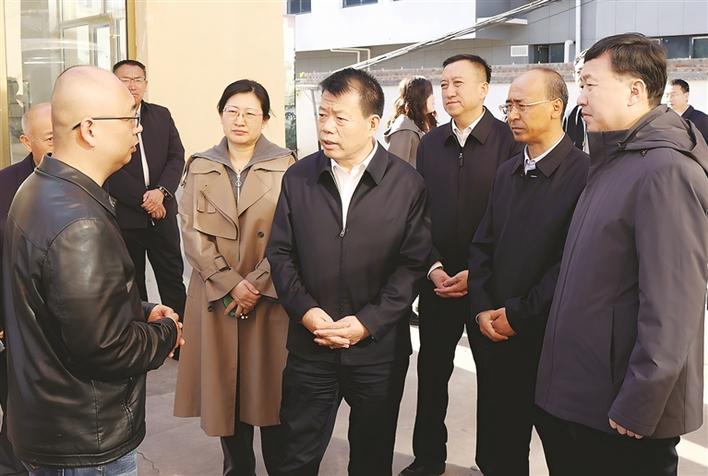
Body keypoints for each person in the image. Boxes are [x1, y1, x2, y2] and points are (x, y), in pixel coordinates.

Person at [535, 33, 708, 476]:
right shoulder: (615, 159)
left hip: (620, 416)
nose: (580, 98)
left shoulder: (666, 171)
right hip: (584, 398)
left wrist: (640, 403)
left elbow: (673, 307)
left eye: (590, 85)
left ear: (635, 90)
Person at [2, 65, 183, 475]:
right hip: (86, 440)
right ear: (89, 129)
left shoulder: (41, 186)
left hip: (53, 426)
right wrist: (167, 332)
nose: (138, 128)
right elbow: (106, 349)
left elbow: (65, 302)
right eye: (129, 118)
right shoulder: (79, 221)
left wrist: (139, 310)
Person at [267, 68, 431, 476]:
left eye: (340, 118)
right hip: (311, 344)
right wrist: (306, 312)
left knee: (372, 459)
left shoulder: (407, 184)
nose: (326, 126)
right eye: (323, 115)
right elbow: (280, 253)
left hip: (378, 352)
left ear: (373, 123)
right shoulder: (299, 177)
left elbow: (412, 265)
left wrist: (367, 323)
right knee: (295, 456)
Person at [468, 68, 589, 476]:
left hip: (552, 346)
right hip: (496, 337)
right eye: (508, 106)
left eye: (522, 105)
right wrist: (482, 308)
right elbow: (482, 246)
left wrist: (519, 314)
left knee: (566, 457)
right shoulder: (507, 172)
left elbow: (572, 265)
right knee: (498, 454)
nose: (512, 115)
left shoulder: (586, 175)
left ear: (556, 108)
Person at [404, 54, 519, 476]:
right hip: (438, 281)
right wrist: (432, 266)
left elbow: (514, 220)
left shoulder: (509, 141)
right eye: (444, 84)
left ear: (484, 89)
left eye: (459, 83)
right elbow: (419, 213)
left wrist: (479, 272)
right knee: (432, 373)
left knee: (495, 381)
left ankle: (492, 463)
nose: (449, 92)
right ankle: (428, 458)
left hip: (488, 283)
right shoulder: (430, 143)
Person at [173, 79, 296, 476]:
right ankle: (237, 468)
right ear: (221, 114)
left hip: (269, 293)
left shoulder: (286, 165)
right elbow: (191, 232)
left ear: (265, 119)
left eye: (250, 113)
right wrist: (231, 284)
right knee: (228, 392)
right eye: (232, 111)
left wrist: (255, 285)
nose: (240, 120)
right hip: (218, 295)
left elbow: (291, 232)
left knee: (271, 392)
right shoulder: (200, 164)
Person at [106, 60, 186, 338]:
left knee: (172, 278)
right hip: (128, 216)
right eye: (124, 79)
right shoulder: (106, 120)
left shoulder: (160, 115)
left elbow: (176, 157)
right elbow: (109, 167)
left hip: (163, 213)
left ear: (145, 83)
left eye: (137, 79)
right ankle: (141, 340)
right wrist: (146, 200)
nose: (132, 85)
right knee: (133, 283)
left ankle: (179, 337)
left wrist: (161, 193)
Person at [0, 102, 52, 476]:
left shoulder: (88, 180)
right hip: (12, 318)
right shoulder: (4, 186)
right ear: (26, 141)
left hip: (60, 320)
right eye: (50, 138)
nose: (59, 145)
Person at [383, 76, 436, 167]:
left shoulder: (424, 123)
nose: (434, 98)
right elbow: (395, 169)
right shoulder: (404, 128)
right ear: (419, 97)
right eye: (429, 93)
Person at [666, 78, 708, 143]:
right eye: (667, 95)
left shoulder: (702, 119)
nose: (669, 99)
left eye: (673, 95)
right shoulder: (664, 119)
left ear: (686, 96)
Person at [563, 50, 588, 151]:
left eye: (587, 72)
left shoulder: (613, 115)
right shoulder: (570, 117)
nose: (582, 77)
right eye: (578, 72)